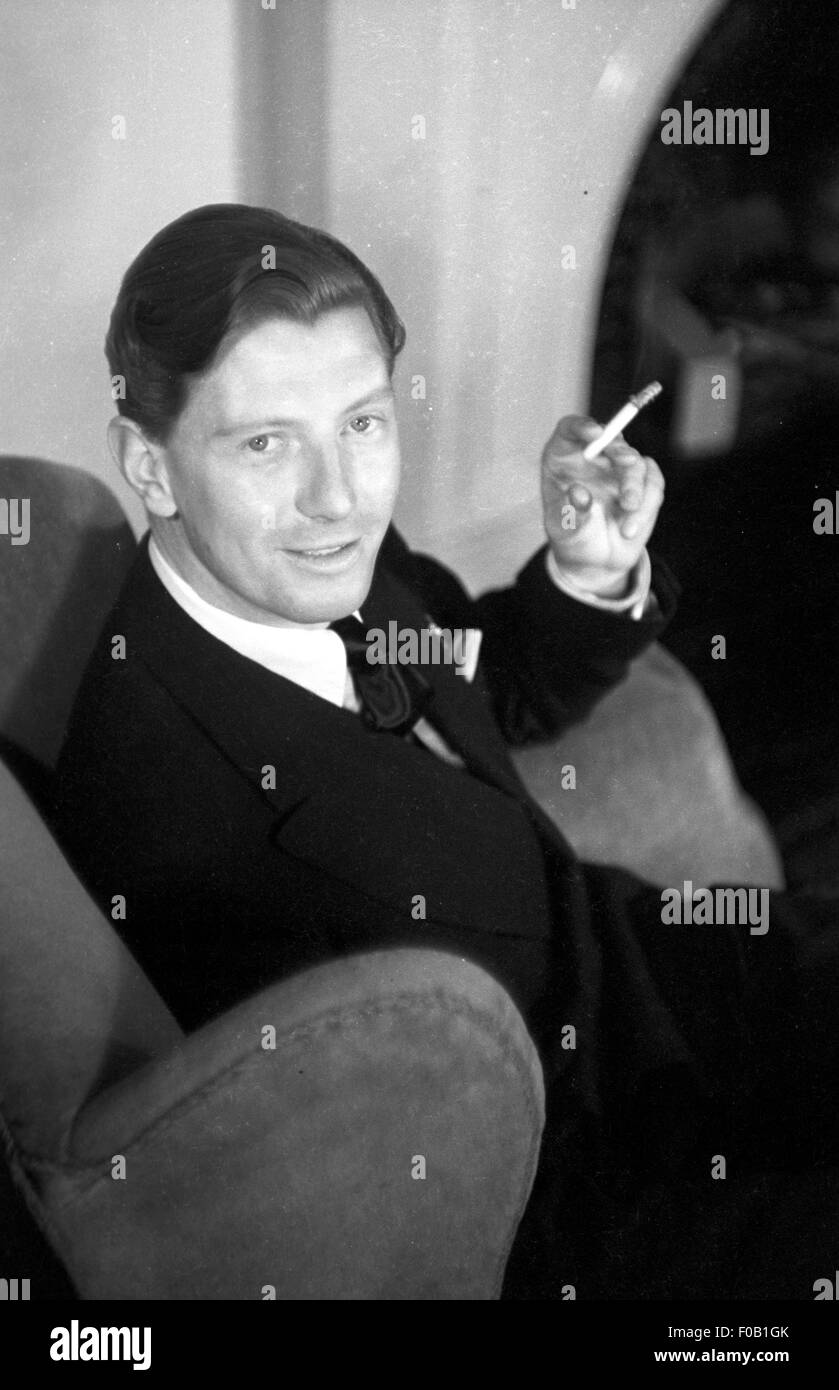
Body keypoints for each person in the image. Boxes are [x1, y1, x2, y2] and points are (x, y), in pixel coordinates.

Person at [51, 204, 839, 1300]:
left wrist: (584, 566)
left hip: (637, 962)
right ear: (149, 463)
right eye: (267, 443)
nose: (341, 498)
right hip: (587, 1174)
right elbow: (455, 1205)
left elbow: (481, 679)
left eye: (362, 424)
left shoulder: (305, 564)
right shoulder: (185, 832)